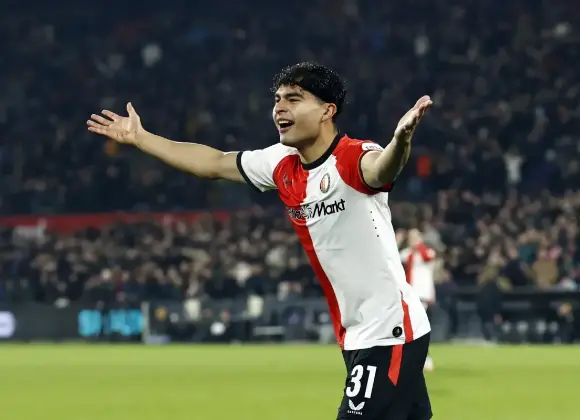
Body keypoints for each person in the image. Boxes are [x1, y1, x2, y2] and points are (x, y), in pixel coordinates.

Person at [87, 62, 433, 420]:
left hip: (389, 330)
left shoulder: (353, 156)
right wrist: (141, 138)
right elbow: (214, 163)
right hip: (358, 332)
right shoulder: (281, 163)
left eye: (294, 99)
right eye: (278, 99)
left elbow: (381, 167)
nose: (280, 107)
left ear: (327, 110)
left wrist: (400, 141)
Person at [400, 228, 437, 372]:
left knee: (420, 326)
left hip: (423, 295)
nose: (413, 240)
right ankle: (417, 356)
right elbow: (392, 258)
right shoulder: (407, 253)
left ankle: (424, 357)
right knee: (413, 326)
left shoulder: (428, 252)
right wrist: (398, 241)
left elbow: (427, 258)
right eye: (411, 237)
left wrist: (418, 246)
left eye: (416, 237)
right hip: (410, 295)